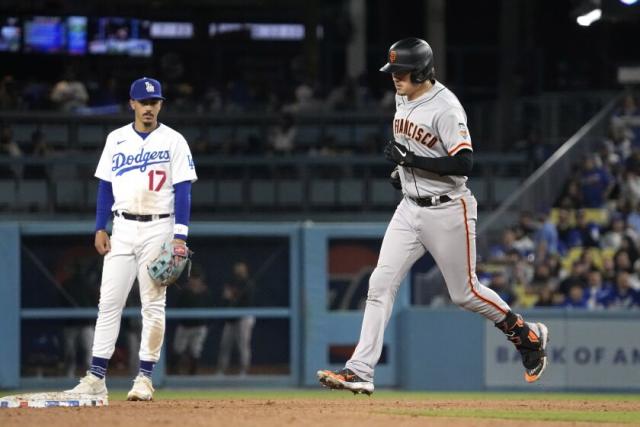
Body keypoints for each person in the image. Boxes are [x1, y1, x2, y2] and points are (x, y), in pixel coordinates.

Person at [317, 38, 549, 395]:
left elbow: (464, 162)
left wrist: (412, 162)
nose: (395, 78)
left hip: (448, 209)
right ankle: (359, 370)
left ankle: (525, 333)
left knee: (465, 293)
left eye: (402, 72)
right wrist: (404, 174)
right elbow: (416, 149)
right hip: (410, 207)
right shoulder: (403, 95)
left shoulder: (446, 108)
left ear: (422, 71)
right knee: (379, 284)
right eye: (393, 71)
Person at [65, 77, 197, 401]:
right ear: (132, 104)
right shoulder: (116, 139)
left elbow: (184, 190)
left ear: (160, 105)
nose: (149, 108)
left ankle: (145, 378)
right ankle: (96, 377)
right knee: (108, 303)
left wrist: (180, 236)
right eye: (143, 102)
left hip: (159, 228)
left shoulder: (174, 141)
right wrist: (100, 226)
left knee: (153, 304)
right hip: (122, 228)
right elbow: (105, 186)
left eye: (154, 102)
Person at [216, 261, 255, 376]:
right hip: (231, 318)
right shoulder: (231, 282)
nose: (239, 272)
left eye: (241, 270)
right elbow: (225, 297)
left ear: (245, 271)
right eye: (237, 270)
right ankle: (221, 370)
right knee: (225, 345)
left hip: (244, 318)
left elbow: (248, 301)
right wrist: (230, 296)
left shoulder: (249, 284)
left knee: (243, 345)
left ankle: (244, 371)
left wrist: (234, 296)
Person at [171, 264, 211, 375]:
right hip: (185, 326)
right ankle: (173, 374)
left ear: (200, 279)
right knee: (178, 349)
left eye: (197, 278)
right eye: (193, 278)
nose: (195, 281)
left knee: (195, 351)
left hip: (199, 327)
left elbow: (210, 308)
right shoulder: (183, 291)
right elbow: (177, 307)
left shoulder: (205, 292)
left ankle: (192, 375)